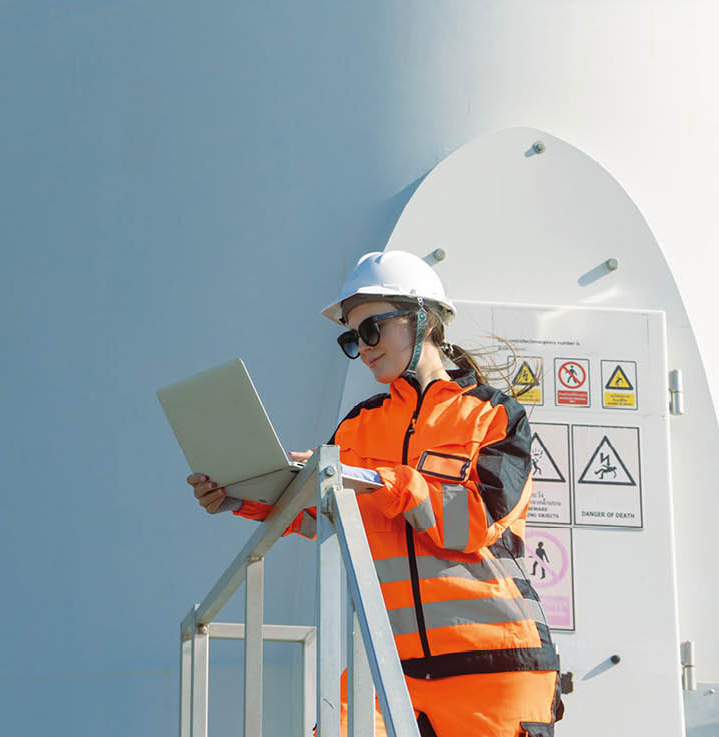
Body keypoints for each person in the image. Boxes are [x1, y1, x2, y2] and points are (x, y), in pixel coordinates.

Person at [187, 251, 563, 737]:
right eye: (351, 338)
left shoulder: (492, 415)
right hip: (390, 664)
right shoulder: (358, 427)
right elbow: (330, 520)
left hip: (494, 664)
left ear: (423, 319)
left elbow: (474, 521)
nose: (362, 348)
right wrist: (242, 496)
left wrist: (383, 479)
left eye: (371, 330)